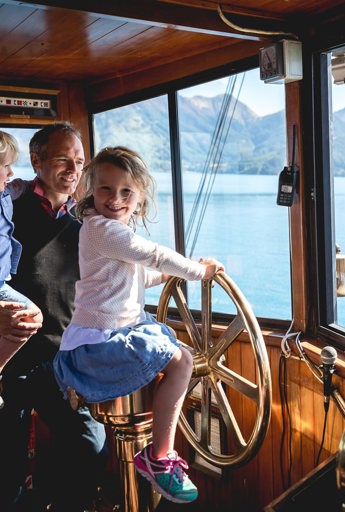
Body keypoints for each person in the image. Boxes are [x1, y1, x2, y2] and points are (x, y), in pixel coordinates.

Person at [53, 146, 224, 504]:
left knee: (175, 354)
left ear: (140, 198)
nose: (115, 199)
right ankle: (159, 458)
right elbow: (155, 254)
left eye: (126, 191)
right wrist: (200, 272)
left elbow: (131, 277)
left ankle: (155, 455)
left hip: (111, 333)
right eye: (105, 189)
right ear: (91, 190)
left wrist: (164, 276)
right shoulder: (102, 229)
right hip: (100, 342)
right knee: (183, 361)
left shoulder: (107, 233)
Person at [0, 123, 108, 512]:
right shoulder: (7, 209)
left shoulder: (83, 223)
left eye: (79, 161)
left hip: (57, 362)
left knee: (89, 444)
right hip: (9, 361)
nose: (73, 168)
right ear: (36, 160)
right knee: (6, 471)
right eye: (64, 158)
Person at [0, 131, 43, 410]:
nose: (11, 171)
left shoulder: (6, 191)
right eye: (5, 166)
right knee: (31, 315)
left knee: (30, 318)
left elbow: (23, 186)